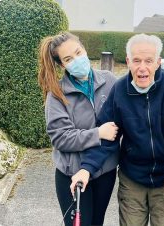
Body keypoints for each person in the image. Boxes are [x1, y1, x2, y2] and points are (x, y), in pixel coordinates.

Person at [70, 33, 164, 226]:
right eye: (136, 60)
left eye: (148, 61)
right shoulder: (120, 90)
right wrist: (86, 168)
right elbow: (107, 136)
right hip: (132, 178)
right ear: (128, 61)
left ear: (158, 62)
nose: (142, 67)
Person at [38, 32, 119, 226]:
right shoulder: (57, 94)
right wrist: (98, 133)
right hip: (71, 174)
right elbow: (60, 138)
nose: (76, 60)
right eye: (68, 59)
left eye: (78, 52)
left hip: (104, 171)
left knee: (96, 222)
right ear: (62, 65)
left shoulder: (109, 81)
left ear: (84, 49)